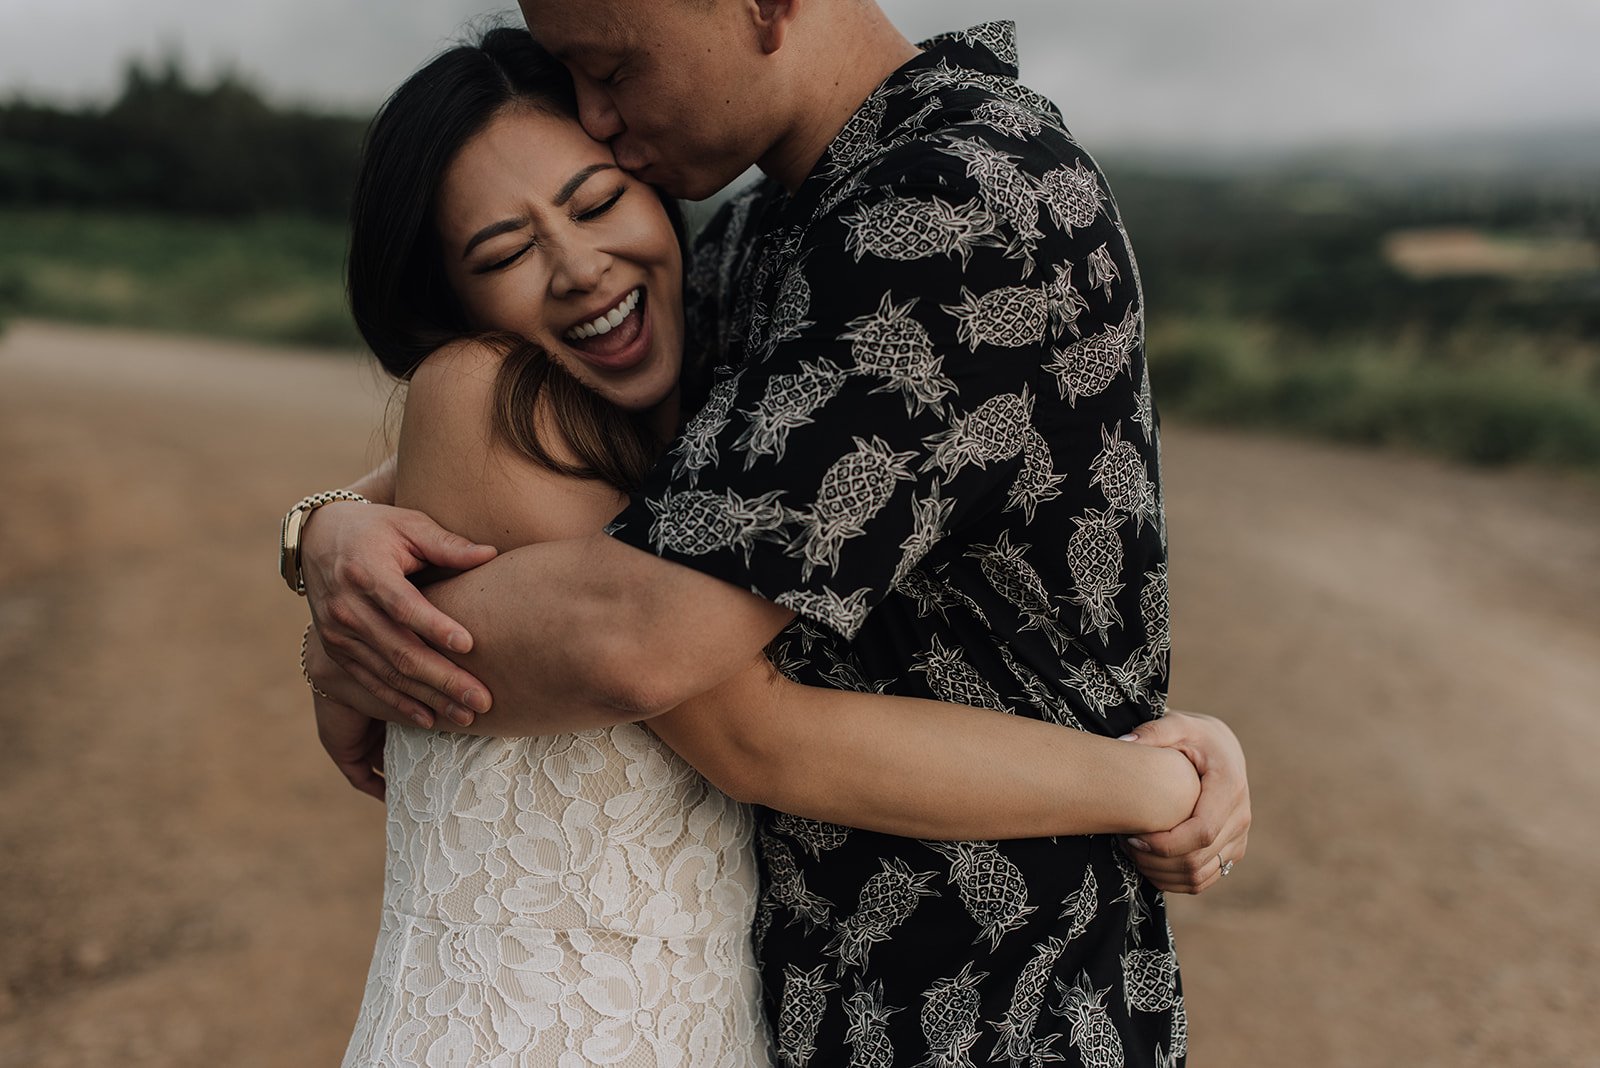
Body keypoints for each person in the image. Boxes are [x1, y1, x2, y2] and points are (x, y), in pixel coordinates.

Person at [298, 4, 1253, 1064]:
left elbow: (647, 643)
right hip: (800, 995)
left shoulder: (958, 203)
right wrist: (328, 531)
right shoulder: (759, 240)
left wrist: (1159, 780)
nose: (600, 118)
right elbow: (552, 453)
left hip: (995, 989)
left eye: (611, 67)